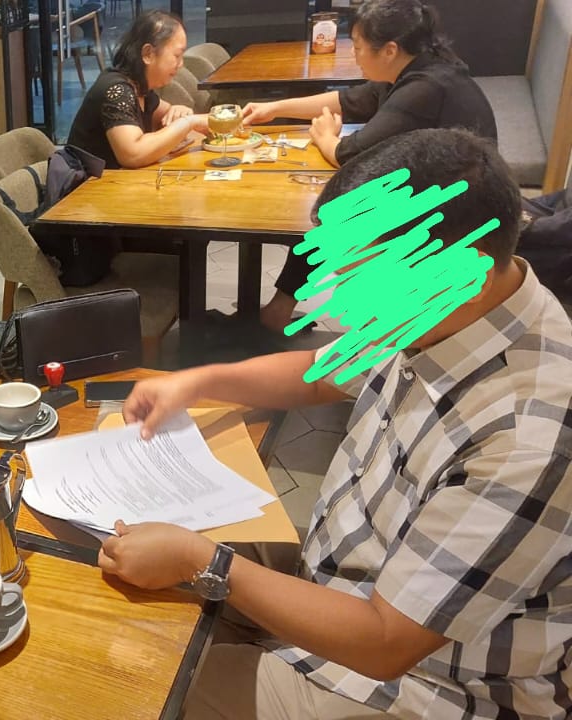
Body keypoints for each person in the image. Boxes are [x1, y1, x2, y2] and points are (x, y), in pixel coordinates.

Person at [100, 128, 572, 720]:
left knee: (136, 680)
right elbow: (323, 373)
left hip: (429, 685)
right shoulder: (442, 308)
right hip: (340, 578)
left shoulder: (529, 434)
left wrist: (205, 561)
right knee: (124, 565)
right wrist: (195, 382)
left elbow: (385, 643)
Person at [242, 0, 498, 333]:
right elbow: (348, 101)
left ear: (389, 50)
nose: (354, 55)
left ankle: (384, 322)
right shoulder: (414, 68)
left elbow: (351, 154)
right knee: (328, 209)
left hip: (459, 209)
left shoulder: (424, 88)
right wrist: (275, 109)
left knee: (335, 214)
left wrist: (325, 137)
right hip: (447, 187)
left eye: (358, 47)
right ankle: (279, 310)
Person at [66, 9, 209, 170]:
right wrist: (188, 122)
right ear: (148, 54)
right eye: (177, 56)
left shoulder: (140, 88)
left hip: (117, 182)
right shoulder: (117, 90)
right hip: (86, 184)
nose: (181, 64)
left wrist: (179, 112)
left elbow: (168, 115)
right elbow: (133, 154)